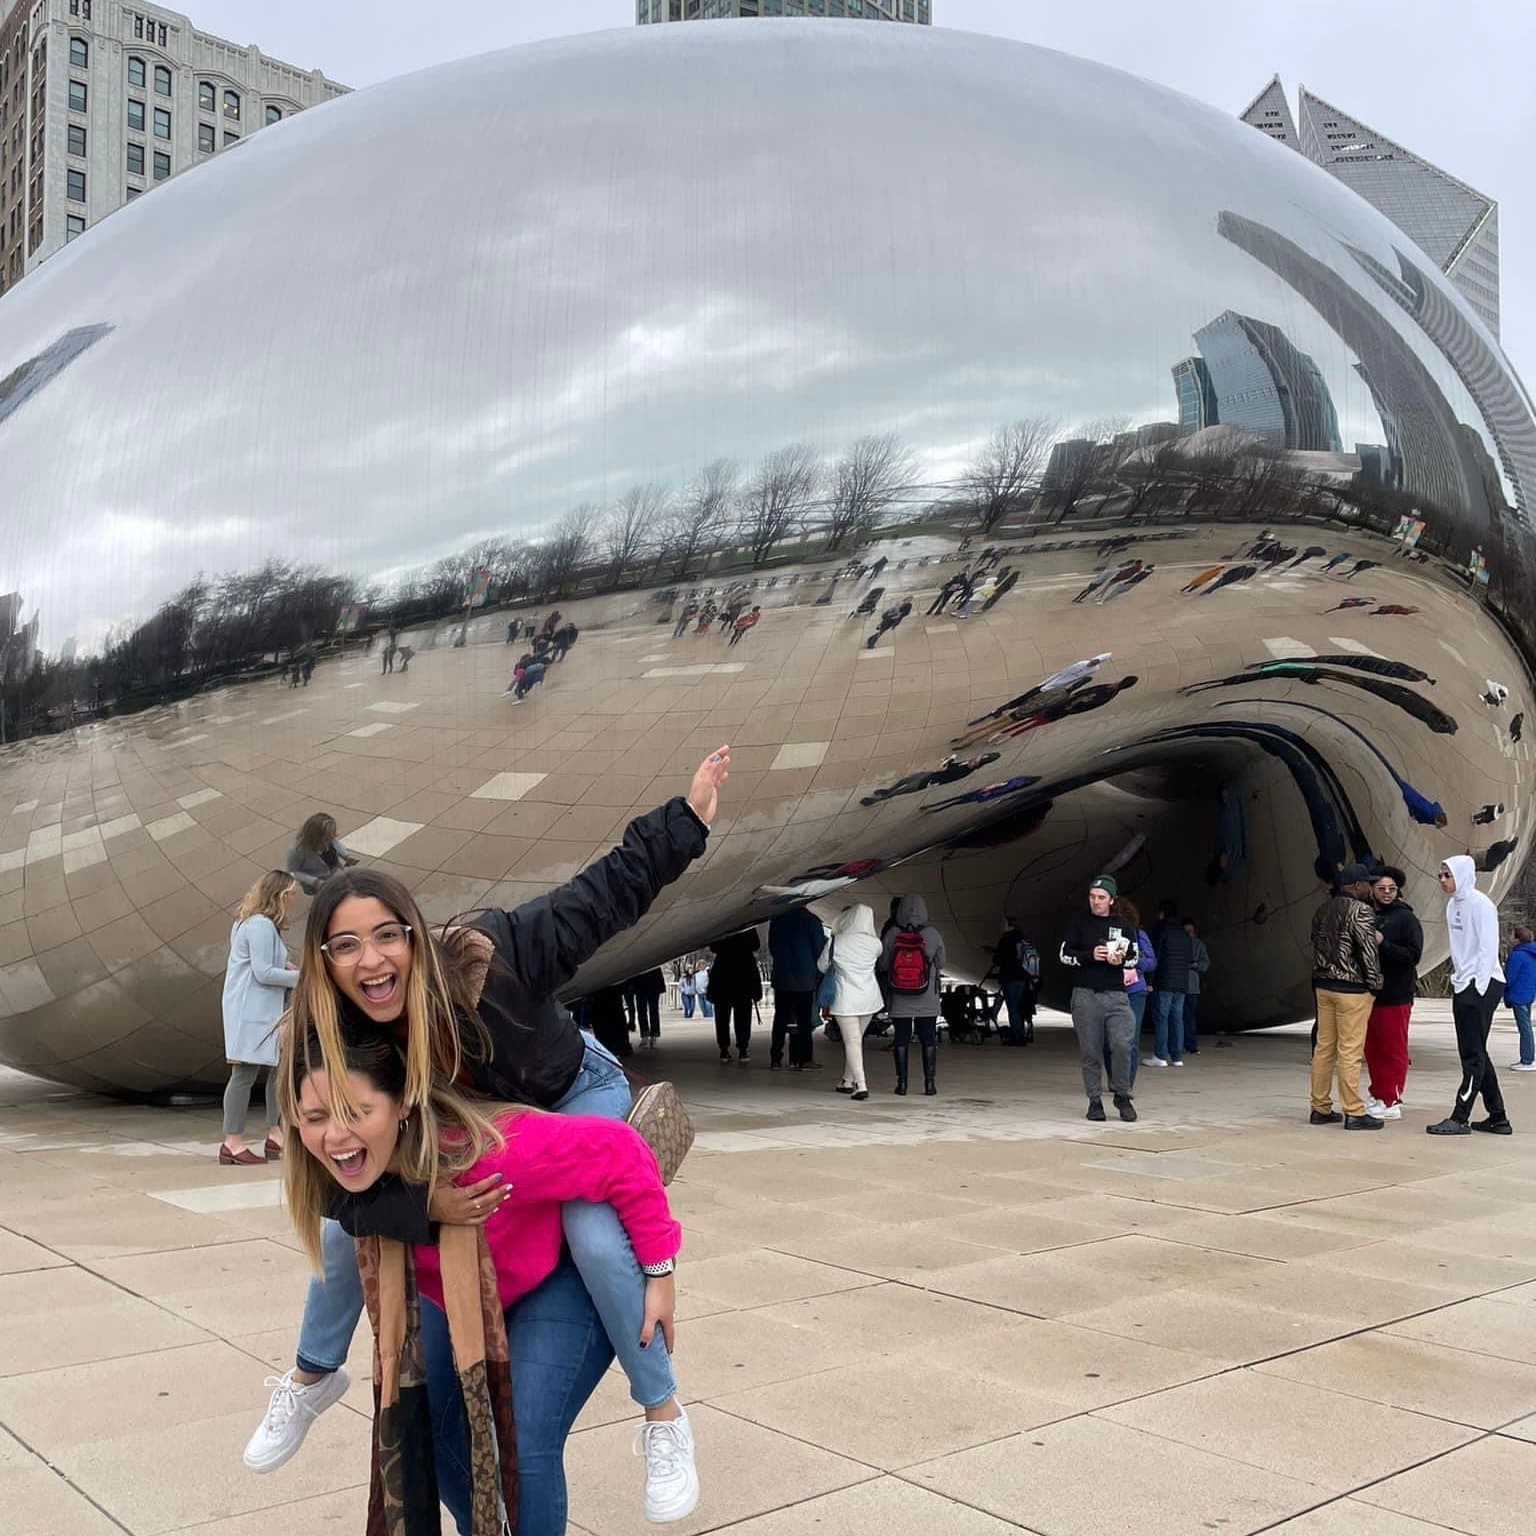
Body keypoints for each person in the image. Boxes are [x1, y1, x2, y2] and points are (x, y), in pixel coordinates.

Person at [243, 747, 729, 1519]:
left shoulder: (490, 960)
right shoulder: (344, 1039)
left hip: (572, 1092)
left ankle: (662, 1412)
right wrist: (424, 1203)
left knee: (591, 1223)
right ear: (325, 961)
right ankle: (312, 1372)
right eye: (346, 945)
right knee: (342, 1223)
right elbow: (335, 1179)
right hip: (479, 1127)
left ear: (413, 935)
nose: (371, 959)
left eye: (386, 935)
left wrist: (688, 821)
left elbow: (600, 897)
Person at [284, 1023, 691, 1533]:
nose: (336, 1136)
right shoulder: (334, 1179)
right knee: (426, 1425)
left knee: (524, 1439)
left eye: (358, 1112)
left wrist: (659, 1268)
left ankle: (665, 1413)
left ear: (402, 1106)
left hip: (556, 1278)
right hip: (460, 1287)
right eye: (316, 1118)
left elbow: (620, 1150)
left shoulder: (488, 1150)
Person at [1427, 857, 1513, 1136]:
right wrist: (1460, 980)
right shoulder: (1452, 905)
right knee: (1477, 1050)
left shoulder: (1481, 905)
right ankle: (1498, 1117)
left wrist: (1479, 986)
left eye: (1447, 875)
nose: (1442, 880)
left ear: (1462, 875)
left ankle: (1460, 1116)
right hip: (1464, 983)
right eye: (1440, 875)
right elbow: (1459, 949)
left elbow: (1487, 948)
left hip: (1483, 984)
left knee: (1472, 1054)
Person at [220, 872, 300, 1165]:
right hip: (251, 1010)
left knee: (277, 1069)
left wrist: (288, 966)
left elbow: (265, 962)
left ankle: (276, 1135)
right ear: (280, 896)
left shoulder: (252, 924)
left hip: (262, 1010)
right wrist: (304, 977)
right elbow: (263, 972)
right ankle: (232, 1142)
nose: (293, 899)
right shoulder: (261, 926)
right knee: (244, 1073)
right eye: (290, 894)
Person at [1308, 864, 1384, 1129]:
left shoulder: (1323, 909)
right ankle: (1354, 1111)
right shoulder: (1361, 910)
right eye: (1368, 883)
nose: (1370, 888)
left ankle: (1320, 1107)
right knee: (1350, 1051)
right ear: (1358, 885)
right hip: (1351, 989)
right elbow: (1368, 951)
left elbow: (1314, 941)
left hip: (1323, 985)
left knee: (1324, 1048)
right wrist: (1374, 984)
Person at [1059, 875, 1138, 1122]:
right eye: (1092, 897)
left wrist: (1120, 960)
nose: (1096, 901)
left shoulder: (1124, 926)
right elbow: (1064, 955)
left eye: (1101, 897)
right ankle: (1094, 1100)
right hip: (1086, 994)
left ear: (1111, 900)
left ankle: (1122, 1094)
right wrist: (1090, 955)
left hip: (1116, 995)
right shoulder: (1079, 924)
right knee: (1090, 1050)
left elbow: (1135, 957)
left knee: (1122, 1044)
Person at [1363, 867, 1424, 1119]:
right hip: (1371, 993)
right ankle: (1378, 1092)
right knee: (1373, 1048)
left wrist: (1383, 943)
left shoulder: (1406, 919)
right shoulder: (1367, 914)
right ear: (1372, 889)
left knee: (1393, 1048)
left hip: (1396, 994)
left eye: (1391, 889)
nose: (1387, 893)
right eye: (1381, 888)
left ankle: (1391, 1099)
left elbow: (1412, 956)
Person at [880, 895, 944, 1096]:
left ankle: (902, 1085)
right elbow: (941, 962)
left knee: (901, 1037)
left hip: (899, 994)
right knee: (928, 1038)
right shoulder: (932, 933)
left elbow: (883, 964)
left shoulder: (892, 933)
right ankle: (930, 1085)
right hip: (927, 994)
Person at [819, 904, 883, 1099]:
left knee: (852, 1041)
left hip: (845, 998)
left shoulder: (836, 942)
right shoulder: (876, 944)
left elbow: (821, 966)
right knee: (855, 1041)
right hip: (869, 998)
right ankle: (846, 1080)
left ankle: (861, 1085)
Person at [768, 906, 826, 1070]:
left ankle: (776, 1058)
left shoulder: (777, 919)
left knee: (780, 1019)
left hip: (782, 977)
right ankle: (803, 1058)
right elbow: (819, 950)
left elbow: (773, 947)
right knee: (803, 1021)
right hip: (804, 978)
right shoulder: (811, 921)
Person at [1113, 897, 1155, 1086]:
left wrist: (1134, 960)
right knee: (1110, 1039)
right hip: (1111, 989)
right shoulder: (1104, 934)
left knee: (1132, 1037)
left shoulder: (1139, 934)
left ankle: (1126, 1083)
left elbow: (1152, 962)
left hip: (1135, 990)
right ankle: (1114, 1077)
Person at [1148, 899, 1192, 1068]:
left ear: (1162, 913)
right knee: (1177, 1018)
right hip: (1181, 982)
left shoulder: (1161, 930)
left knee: (1162, 1018)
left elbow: (1155, 957)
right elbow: (1189, 958)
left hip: (1164, 981)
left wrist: (1150, 980)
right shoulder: (1184, 934)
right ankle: (1177, 1057)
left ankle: (1160, 1055)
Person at [707, 928, 762, 1064]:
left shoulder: (723, 926)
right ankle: (743, 1049)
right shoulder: (747, 929)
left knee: (722, 1017)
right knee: (743, 1017)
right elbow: (756, 945)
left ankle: (724, 1049)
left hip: (723, 978)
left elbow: (713, 947)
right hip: (744, 977)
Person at [987, 917, 1040, 1046]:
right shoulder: (1023, 939)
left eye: (1004, 924)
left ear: (1009, 925)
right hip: (1023, 978)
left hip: (1010, 977)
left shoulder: (1006, 940)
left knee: (1013, 1008)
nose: (1001, 926)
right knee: (1020, 1007)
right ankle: (1021, 1033)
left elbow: (998, 959)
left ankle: (1017, 1036)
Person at [286, 813, 358, 895]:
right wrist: (314, 882)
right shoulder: (297, 851)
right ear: (315, 837)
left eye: (333, 836)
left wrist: (346, 856)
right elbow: (292, 872)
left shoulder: (329, 839)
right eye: (328, 838)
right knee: (326, 896)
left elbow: (336, 844)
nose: (333, 838)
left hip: (334, 871)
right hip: (316, 881)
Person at [1505, 925, 1536, 1071]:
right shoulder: (1531, 953)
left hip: (1518, 994)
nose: (1509, 938)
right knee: (1526, 1027)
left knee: (1524, 1028)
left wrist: (1503, 989)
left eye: (1512, 935)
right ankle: (1527, 1058)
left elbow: (1509, 977)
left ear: (1518, 939)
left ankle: (1527, 1060)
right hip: (1528, 993)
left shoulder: (1517, 955)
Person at [1181, 918, 1210, 1055]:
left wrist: (1194, 965)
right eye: (1186, 931)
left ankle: (1190, 1045)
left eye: (1190, 931)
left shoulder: (1198, 944)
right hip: (1180, 985)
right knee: (1179, 1017)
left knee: (1189, 1017)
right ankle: (1179, 1045)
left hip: (1191, 986)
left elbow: (1205, 964)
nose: (1188, 934)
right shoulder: (1179, 943)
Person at [630, 967, 667, 1050]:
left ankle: (648, 1036)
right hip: (646, 983)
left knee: (646, 1011)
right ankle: (650, 1035)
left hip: (645, 983)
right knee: (647, 1011)